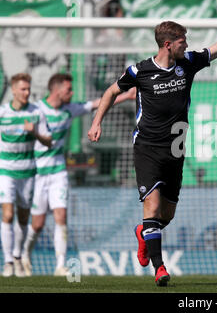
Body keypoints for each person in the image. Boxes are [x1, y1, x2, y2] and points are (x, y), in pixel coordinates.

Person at [88, 2, 217, 286]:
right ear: (167, 44)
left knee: (165, 216)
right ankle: (160, 268)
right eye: (182, 41)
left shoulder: (187, 63)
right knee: (151, 209)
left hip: (176, 149)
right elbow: (110, 92)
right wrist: (96, 122)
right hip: (147, 148)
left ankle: (144, 233)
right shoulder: (139, 71)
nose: (187, 44)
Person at [21, 73, 134, 276]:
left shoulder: (69, 109)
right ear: (56, 90)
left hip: (58, 173)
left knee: (61, 217)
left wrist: (125, 96)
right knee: (37, 225)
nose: (71, 93)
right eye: (68, 90)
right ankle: (25, 255)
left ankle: (60, 265)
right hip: (38, 174)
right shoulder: (37, 110)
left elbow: (97, 103)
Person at [0, 73, 52, 277]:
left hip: (28, 172)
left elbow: (49, 141)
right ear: (13, 90)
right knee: (8, 214)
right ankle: (8, 262)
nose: (26, 92)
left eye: (28, 89)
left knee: (23, 218)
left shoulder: (36, 112)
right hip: (5, 172)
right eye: (22, 89)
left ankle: (18, 256)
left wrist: (35, 133)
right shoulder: (3, 113)